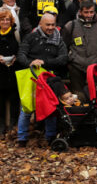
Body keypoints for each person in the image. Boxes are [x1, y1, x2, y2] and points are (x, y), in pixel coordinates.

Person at [15, 10, 68, 147]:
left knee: (50, 108)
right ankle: (22, 138)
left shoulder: (59, 39)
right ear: (40, 24)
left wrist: (45, 62)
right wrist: (30, 63)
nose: (50, 28)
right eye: (47, 25)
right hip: (32, 77)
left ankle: (50, 138)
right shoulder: (31, 37)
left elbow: (63, 58)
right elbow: (21, 55)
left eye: (53, 25)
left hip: (50, 78)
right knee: (26, 108)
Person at [62, 0, 97, 99]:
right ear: (80, 12)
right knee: (79, 96)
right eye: (86, 12)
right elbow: (63, 47)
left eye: (91, 12)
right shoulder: (71, 25)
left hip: (96, 66)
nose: (89, 15)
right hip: (76, 66)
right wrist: (69, 60)